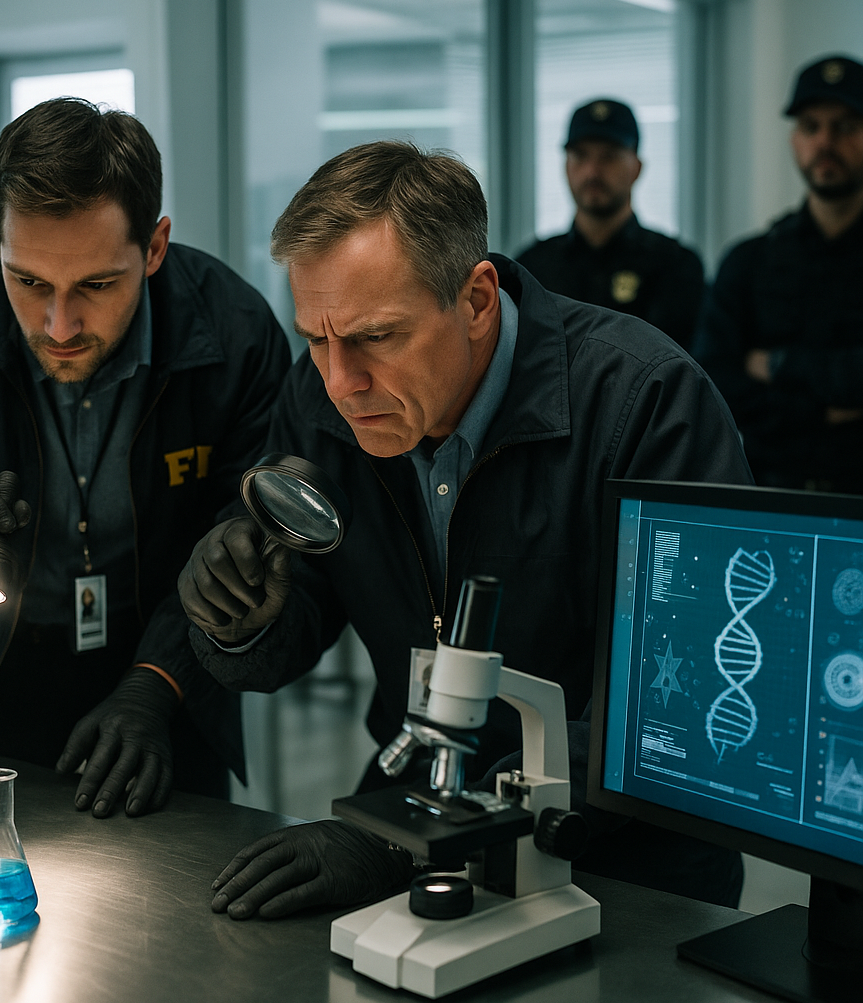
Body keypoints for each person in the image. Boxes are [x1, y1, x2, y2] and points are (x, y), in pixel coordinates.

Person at [178, 141, 754, 919]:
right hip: (417, 831)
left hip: (628, 870)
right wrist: (239, 619)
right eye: (316, 336)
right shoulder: (318, 400)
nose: (341, 382)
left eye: (377, 337)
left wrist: (409, 837)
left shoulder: (647, 403)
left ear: (477, 299)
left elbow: (680, 715)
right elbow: (291, 626)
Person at [0, 98, 290, 817]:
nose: (60, 325)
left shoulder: (233, 334)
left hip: (158, 688)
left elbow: (250, 540)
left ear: (155, 247)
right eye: (29, 282)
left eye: (97, 286)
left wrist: (157, 683)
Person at [695, 55, 863, 493]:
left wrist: (778, 364)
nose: (825, 142)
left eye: (845, 126)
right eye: (810, 126)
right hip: (770, 496)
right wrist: (825, 410)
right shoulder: (750, 261)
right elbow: (716, 383)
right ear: (794, 140)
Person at [517, 99, 703, 349]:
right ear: (566, 166)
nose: (592, 171)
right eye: (580, 156)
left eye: (609, 157)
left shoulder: (676, 266)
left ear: (636, 168)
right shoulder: (533, 268)